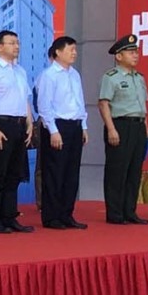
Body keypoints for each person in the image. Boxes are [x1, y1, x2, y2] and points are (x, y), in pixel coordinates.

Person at [0, 30, 36, 234]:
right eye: (11, 43)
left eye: (17, 43)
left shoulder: (20, 71)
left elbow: (25, 99)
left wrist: (29, 123)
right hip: (0, 123)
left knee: (14, 174)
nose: (16, 46)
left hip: (19, 124)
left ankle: (9, 217)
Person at [33, 35, 88, 229]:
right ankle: (51, 216)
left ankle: (67, 214)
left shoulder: (75, 74)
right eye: (70, 49)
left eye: (75, 49)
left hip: (74, 126)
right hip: (56, 126)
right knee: (54, 172)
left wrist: (84, 126)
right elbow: (44, 106)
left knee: (71, 173)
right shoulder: (49, 75)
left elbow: (79, 102)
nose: (74, 52)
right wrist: (53, 131)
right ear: (57, 52)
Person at [99, 35, 148, 225]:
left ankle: (130, 211)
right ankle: (115, 213)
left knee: (134, 171)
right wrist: (111, 129)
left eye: (136, 52)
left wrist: (146, 129)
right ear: (119, 56)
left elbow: (142, 107)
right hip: (119, 125)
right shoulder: (111, 77)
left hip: (138, 126)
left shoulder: (139, 78)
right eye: (131, 52)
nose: (135, 55)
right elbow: (104, 104)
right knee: (117, 170)